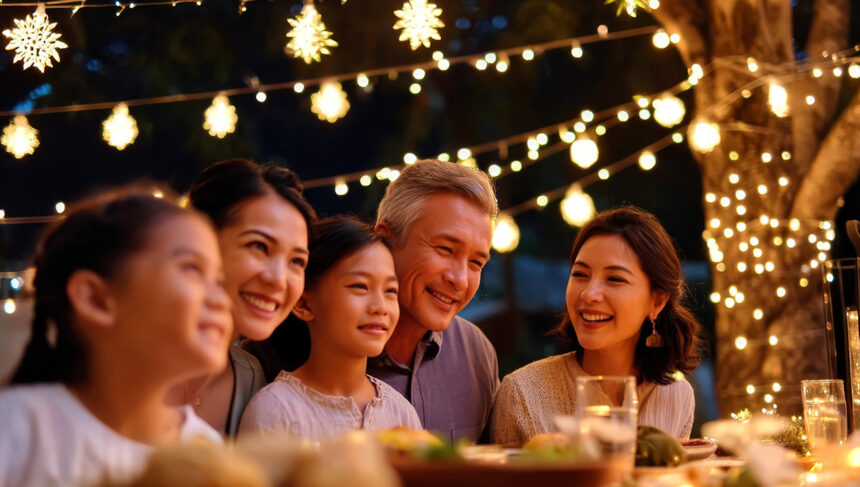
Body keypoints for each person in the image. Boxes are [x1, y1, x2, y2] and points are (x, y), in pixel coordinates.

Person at [0, 188, 230, 487]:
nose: (222, 300)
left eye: (219, 281)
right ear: (95, 298)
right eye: (192, 268)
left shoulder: (207, 453)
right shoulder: (17, 429)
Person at [490, 207, 701, 447]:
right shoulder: (523, 394)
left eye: (615, 279)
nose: (589, 294)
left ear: (657, 301)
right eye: (580, 274)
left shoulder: (676, 396)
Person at [238, 216, 421, 439]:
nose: (381, 307)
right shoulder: (275, 410)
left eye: (390, 290)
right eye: (360, 286)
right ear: (304, 304)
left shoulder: (401, 413)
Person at [177, 159, 316, 436]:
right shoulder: (117, 351)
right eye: (259, 246)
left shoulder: (250, 376)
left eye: (296, 261)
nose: (278, 279)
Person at [367, 159, 500, 442]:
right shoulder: (317, 346)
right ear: (386, 242)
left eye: (476, 263)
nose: (460, 280)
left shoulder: (476, 353)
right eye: (445, 249)